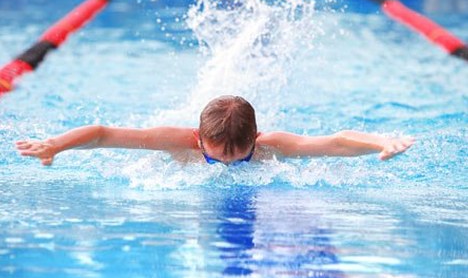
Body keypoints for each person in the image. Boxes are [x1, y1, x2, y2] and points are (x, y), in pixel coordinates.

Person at [16, 95, 414, 166]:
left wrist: (382, 140)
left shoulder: (270, 147)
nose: (224, 165)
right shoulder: (177, 141)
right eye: (213, 156)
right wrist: (54, 145)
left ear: (255, 141)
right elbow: (104, 133)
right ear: (198, 138)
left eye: (237, 158)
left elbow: (337, 142)